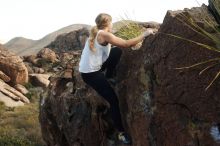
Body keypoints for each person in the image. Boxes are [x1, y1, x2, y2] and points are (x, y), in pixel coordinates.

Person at [79, 13, 155, 145]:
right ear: (108, 23)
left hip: (93, 68)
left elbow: (115, 48)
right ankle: (121, 132)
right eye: (111, 22)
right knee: (114, 100)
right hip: (91, 74)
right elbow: (125, 44)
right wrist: (145, 34)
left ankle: (108, 76)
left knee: (117, 51)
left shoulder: (97, 33)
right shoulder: (104, 34)